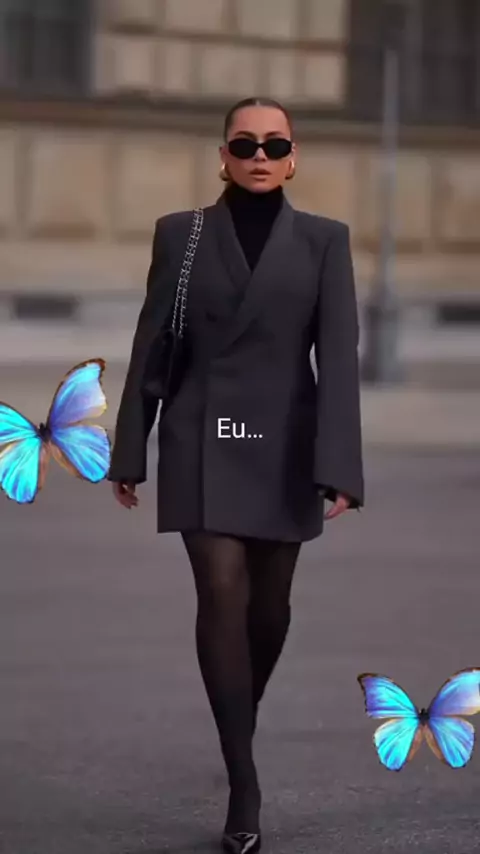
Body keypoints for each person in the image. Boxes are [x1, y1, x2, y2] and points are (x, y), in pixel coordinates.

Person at [108, 96, 364, 854]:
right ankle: (243, 783)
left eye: (274, 144)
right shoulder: (181, 235)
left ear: (293, 157)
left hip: (284, 442)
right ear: (222, 156)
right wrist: (131, 449)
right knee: (221, 589)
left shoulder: (325, 241)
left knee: (270, 610)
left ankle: (237, 717)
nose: (259, 155)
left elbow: (337, 358)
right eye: (244, 143)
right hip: (201, 432)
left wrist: (340, 466)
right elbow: (152, 344)